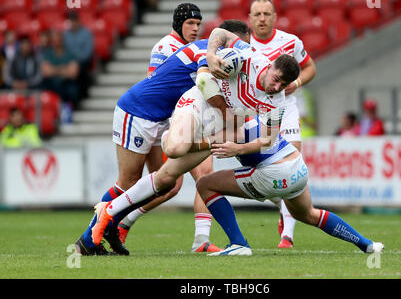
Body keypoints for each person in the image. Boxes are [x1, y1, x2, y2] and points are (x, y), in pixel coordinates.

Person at [88, 27, 301, 250]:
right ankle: (172, 134)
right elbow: (220, 33)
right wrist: (210, 54)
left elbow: (269, 138)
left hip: (222, 124)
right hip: (199, 102)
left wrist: (237, 149)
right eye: (276, 79)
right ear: (270, 66)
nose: (276, 87)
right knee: (175, 149)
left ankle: (109, 210)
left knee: (166, 178)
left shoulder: (278, 98)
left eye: (283, 85)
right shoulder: (250, 56)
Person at [73, 21, 253, 256]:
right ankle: (89, 239)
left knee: (167, 184)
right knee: (128, 181)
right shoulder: (206, 53)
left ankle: (112, 227)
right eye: (243, 46)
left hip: (161, 119)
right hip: (138, 111)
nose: (245, 54)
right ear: (230, 41)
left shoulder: (212, 53)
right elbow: (204, 84)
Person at [195, 114, 384, 256]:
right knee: (308, 214)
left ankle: (238, 243)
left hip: (273, 173)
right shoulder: (252, 113)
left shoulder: (230, 125)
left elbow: (189, 150)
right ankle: (366, 244)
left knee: (205, 185)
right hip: (297, 166)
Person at [117, 3, 221, 254]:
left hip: (180, 120)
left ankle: (201, 240)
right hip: (161, 121)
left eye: (198, 24)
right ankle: (114, 223)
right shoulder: (165, 47)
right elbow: (161, 87)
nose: (195, 29)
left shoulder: (198, 50)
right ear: (178, 24)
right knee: (146, 182)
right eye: (190, 24)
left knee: (200, 178)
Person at [249, 0, 317, 248]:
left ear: (275, 16)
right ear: (250, 17)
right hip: (254, 112)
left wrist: (295, 84)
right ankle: (281, 203)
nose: (262, 19)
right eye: (257, 14)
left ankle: (287, 233)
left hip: (285, 109)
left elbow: (310, 67)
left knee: (292, 164)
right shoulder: (243, 43)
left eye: (267, 14)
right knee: (264, 167)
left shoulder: (290, 42)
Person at [40, 29, 80, 113]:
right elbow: (46, 72)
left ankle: (69, 110)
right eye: (53, 40)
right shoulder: (48, 54)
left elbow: (73, 73)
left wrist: (54, 69)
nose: (56, 42)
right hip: (52, 85)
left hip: (66, 85)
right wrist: (64, 69)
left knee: (72, 90)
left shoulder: (70, 53)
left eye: (57, 39)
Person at [63, 11, 94, 99]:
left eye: (74, 21)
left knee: (80, 69)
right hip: (68, 63)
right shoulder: (65, 34)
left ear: (78, 21)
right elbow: (64, 51)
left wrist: (75, 61)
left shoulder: (86, 33)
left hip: (82, 62)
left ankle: (82, 94)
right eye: (71, 21)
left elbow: (88, 52)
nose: (73, 23)